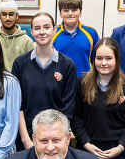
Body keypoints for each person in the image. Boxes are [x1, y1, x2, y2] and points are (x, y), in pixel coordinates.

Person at [13, 12, 79, 150]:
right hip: (27, 138)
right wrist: (26, 140)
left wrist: (54, 141)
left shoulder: (67, 65)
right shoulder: (20, 64)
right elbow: (17, 105)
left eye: (46, 27)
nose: (42, 32)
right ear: (31, 32)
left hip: (54, 141)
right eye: (37, 28)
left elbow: (67, 108)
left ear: (54, 29)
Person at [52, 0, 99, 75]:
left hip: (85, 83)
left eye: (74, 10)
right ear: (60, 13)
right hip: (60, 83)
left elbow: (97, 59)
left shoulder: (91, 33)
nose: (70, 13)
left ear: (80, 12)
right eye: (66, 10)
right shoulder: (53, 33)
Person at [0, 0, 34, 70]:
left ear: (17, 16)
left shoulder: (27, 42)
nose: (8, 18)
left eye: (11, 14)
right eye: (4, 14)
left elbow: (32, 68)